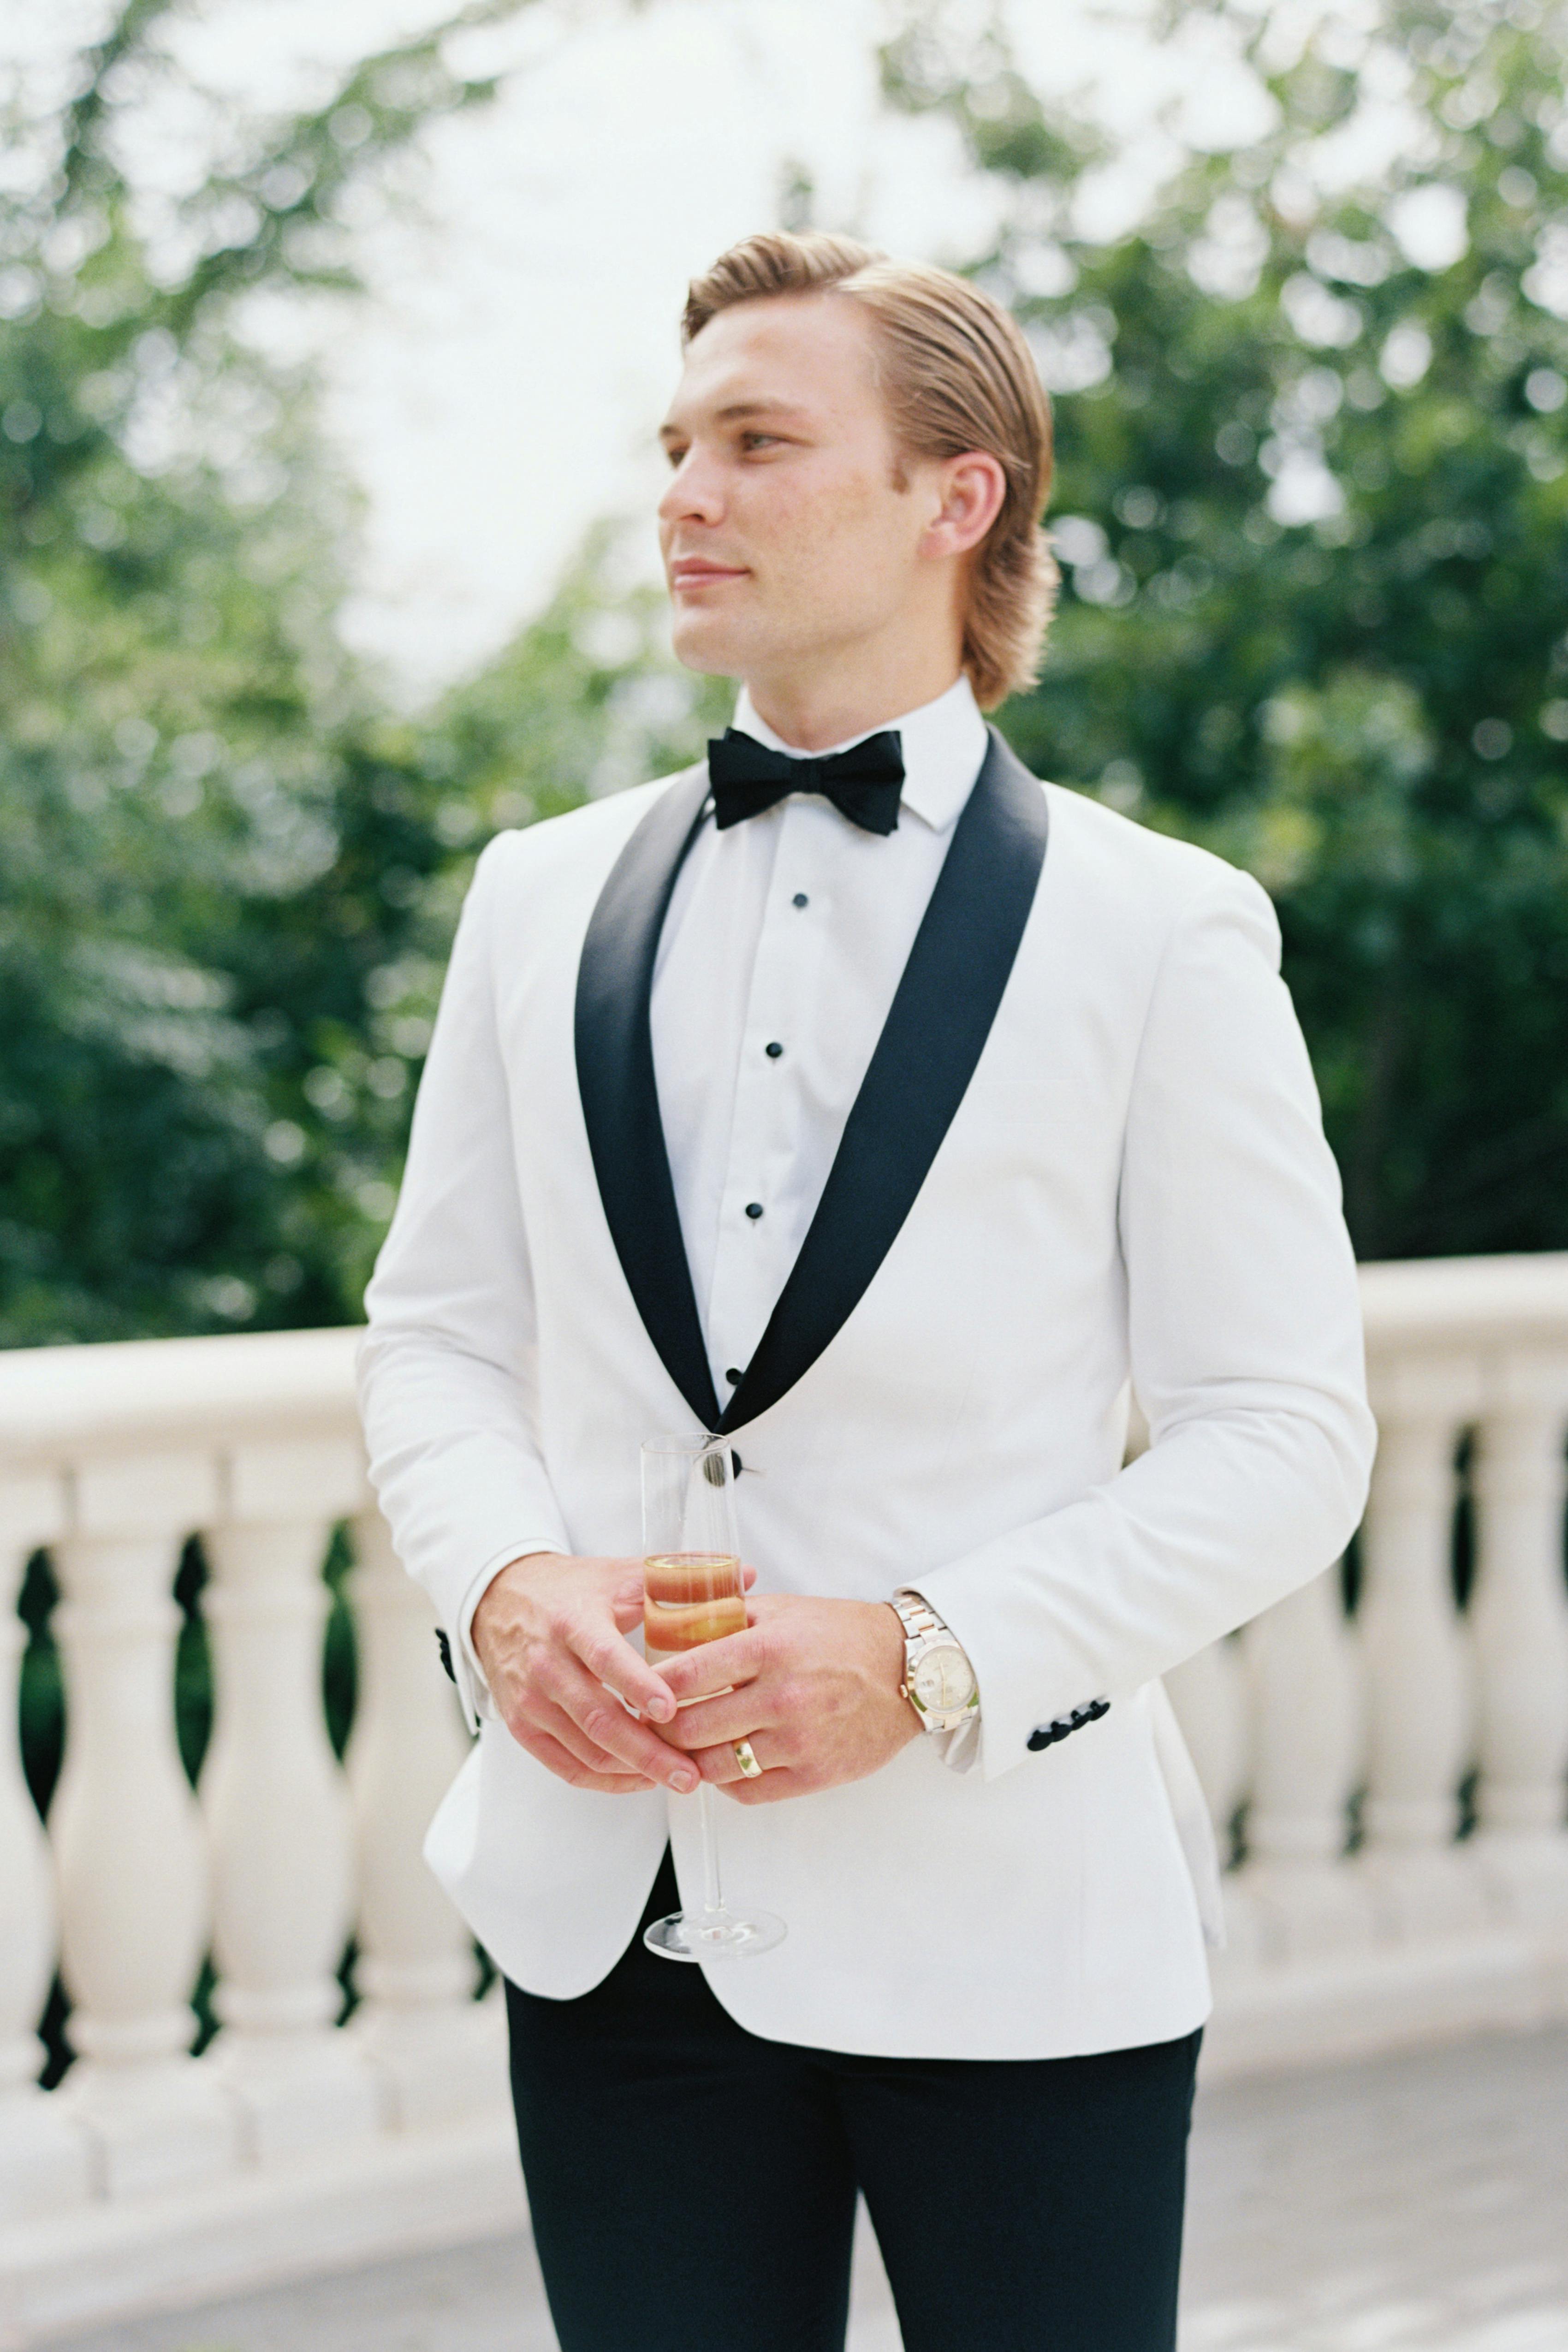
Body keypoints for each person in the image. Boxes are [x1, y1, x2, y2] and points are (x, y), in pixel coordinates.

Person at [357, 230, 1375, 2352]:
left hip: (1017, 1926)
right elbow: (442, 1339)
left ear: (954, 494)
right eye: (671, 447)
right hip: (610, 1921)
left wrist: (921, 1657)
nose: (683, 497)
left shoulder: (1161, 930)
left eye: (755, 442)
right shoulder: (532, 900)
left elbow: (1285, 1436)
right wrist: (509, 1590)